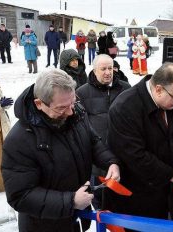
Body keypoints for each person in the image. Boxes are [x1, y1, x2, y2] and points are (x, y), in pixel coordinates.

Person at [1, 69, 120, 232]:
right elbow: (20, 196)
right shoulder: (19, 140)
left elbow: (92, 142)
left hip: (75, 218)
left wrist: (110, 162)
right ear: (39, 104)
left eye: (73, 102)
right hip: (44, 225)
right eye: (62, 108)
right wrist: (70, 201)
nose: (70, 111)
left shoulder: (75, 113)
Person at [103, 62, 173, 221]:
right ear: (159, 89)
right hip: (138, 197)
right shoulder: (124, 107)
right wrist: (171, 173)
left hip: (170, 194)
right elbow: (135, 155)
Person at [76, 54, 130, 209]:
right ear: (94, 70)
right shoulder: (82, 93)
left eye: (110, 68)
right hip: (97, 159)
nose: (108, 72)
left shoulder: (125, 88)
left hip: (123, 156)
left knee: (123, 200)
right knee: (100, 202)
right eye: (103, 69)